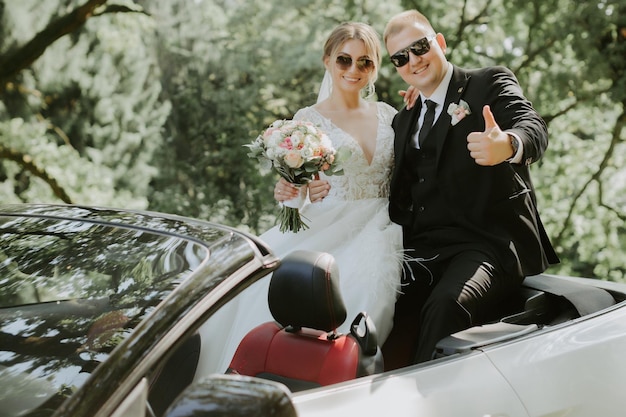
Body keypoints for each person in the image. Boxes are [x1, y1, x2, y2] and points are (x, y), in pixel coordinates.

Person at [204, 22, 410, 374]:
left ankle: (347, 376)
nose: (354, 70)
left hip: (380, 222)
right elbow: (294, 196)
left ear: (376, 67)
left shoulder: (390, 115)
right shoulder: (308, 122)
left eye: (365, 62)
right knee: (255, 290)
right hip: (329, 224)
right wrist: (290, 195)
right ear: (327, 61)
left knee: (368, 289)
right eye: (344, 59)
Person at [379, 10, 560, 366]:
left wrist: (508, 144)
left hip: (487, 244)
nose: (413, 61)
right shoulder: (404, 120)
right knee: (376, 299)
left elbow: (532, 125)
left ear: (440, 43)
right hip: (424, 248)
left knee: (447, 304)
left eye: (420, 48)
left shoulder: (488, 82)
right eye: (401, 57)